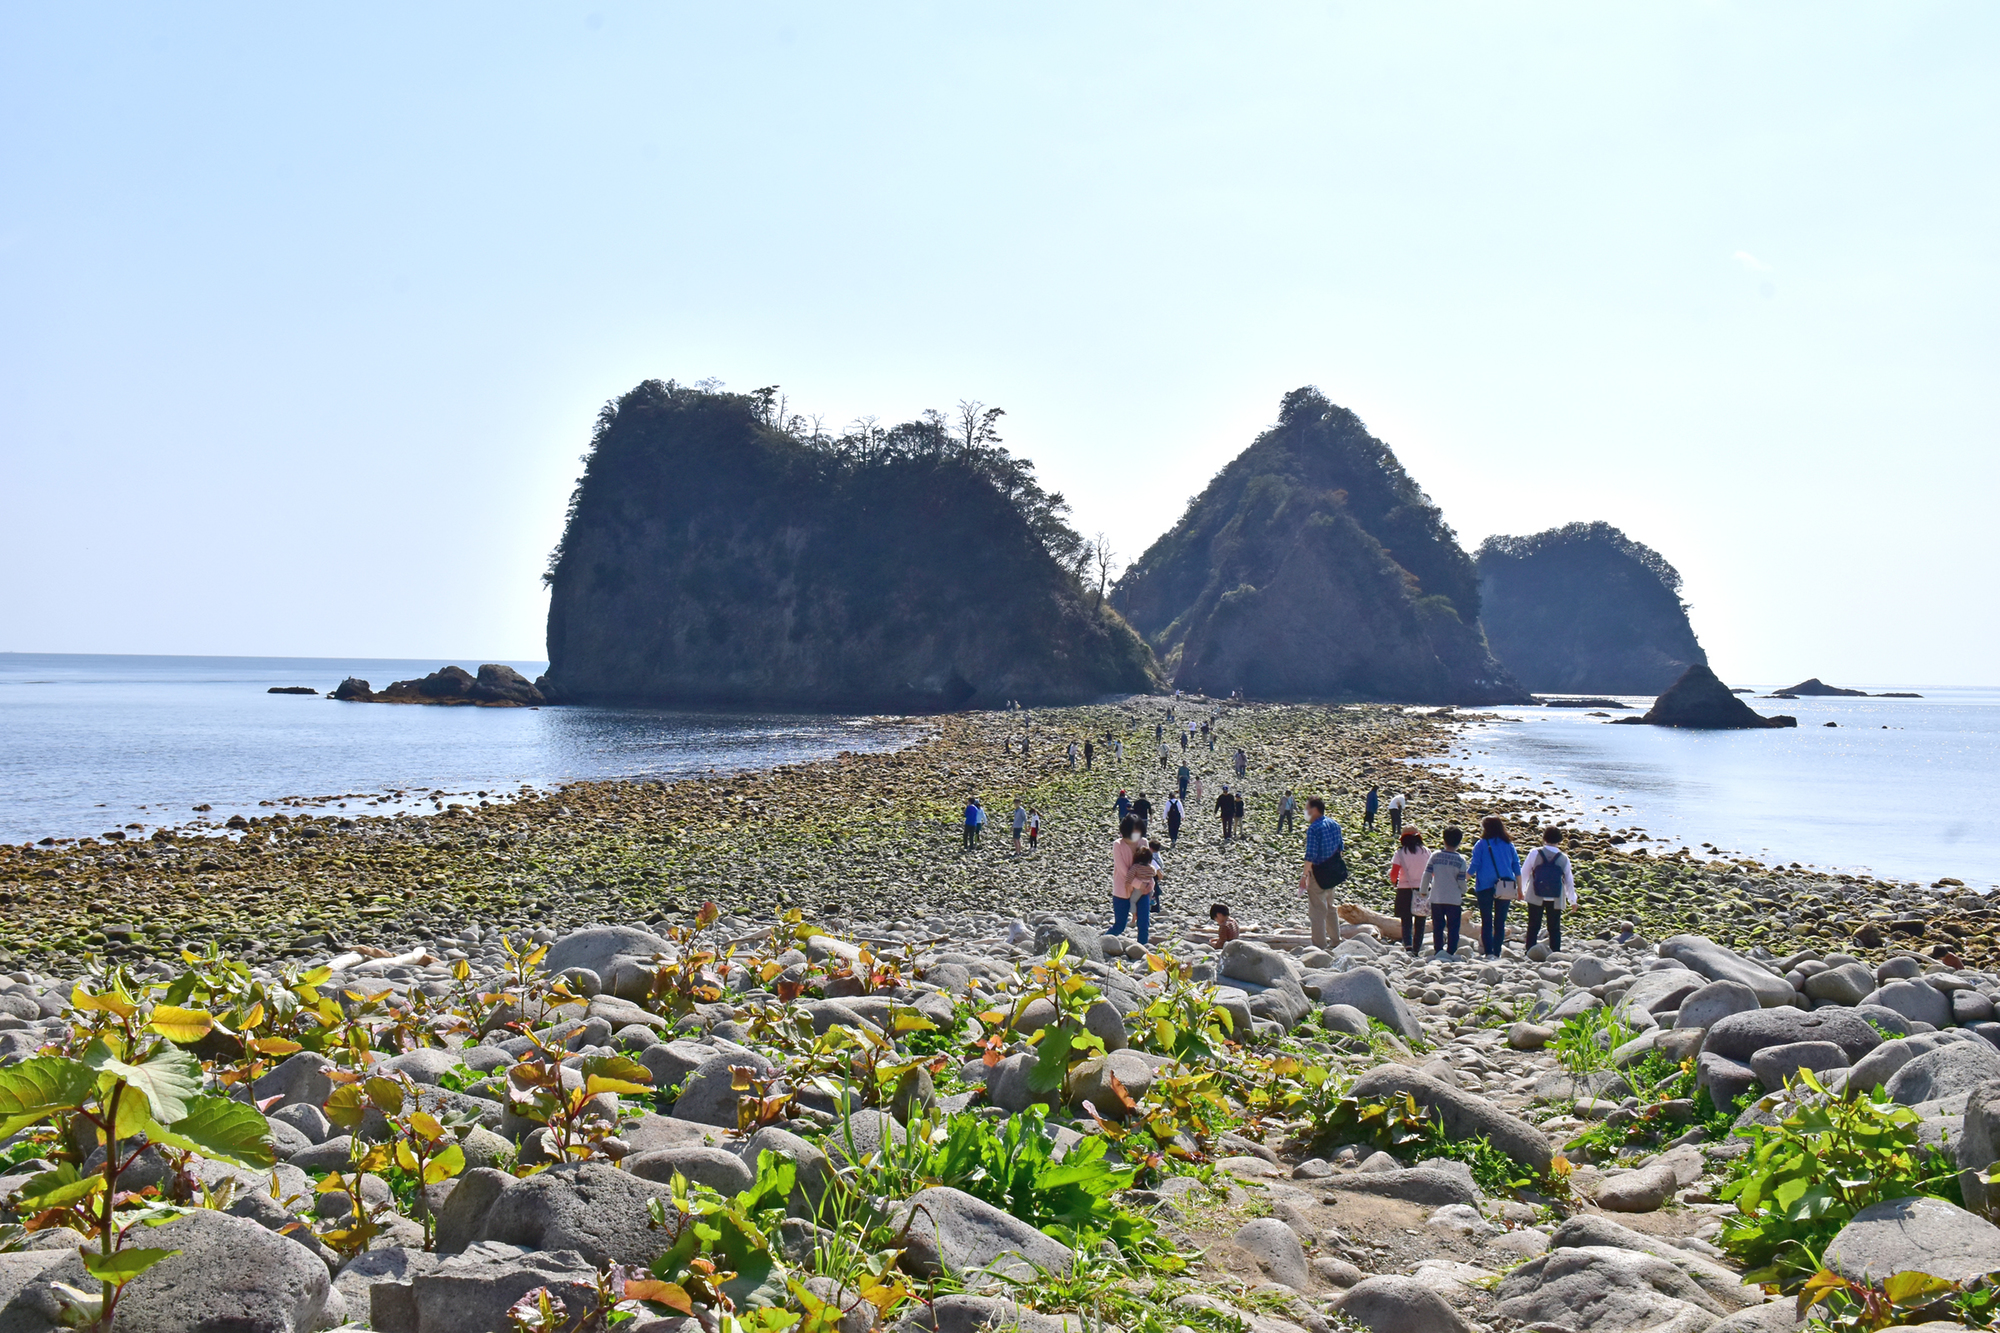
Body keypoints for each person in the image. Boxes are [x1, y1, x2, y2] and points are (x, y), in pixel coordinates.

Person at [1470, 816, 1522, 958]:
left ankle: (1489, 952)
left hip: (1484, 886)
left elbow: (1475, 865)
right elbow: (1517, 867)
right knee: (1500, 921)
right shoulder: (1508, 844)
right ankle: (1497, 951)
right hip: (1505, 885)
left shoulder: (1481, 844)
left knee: (1486, 920)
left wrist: (1462, 879)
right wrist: (1520, 889)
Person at [1301, 796, 1346, 949]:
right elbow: (1340, 849)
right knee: (1330, 907)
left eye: (1307, 809)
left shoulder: (1314, 828)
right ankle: (1335, 940)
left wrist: (1304, 875)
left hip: (1318, 873)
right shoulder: (1335, 824)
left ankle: (1319, 946)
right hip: (1332, 871)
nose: (1305, 812)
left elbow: (1310, 855)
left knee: (1317, 911)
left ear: (1314, 810)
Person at [1520, 827, 1574, 953]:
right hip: (1556, 897)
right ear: (1560, 840)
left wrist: (1521, 891)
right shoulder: (1563, 858)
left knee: (1533, 925)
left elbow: (1525, 873)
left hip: (1535, 894)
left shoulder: (1535, 853)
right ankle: (1555, 952)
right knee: (1554, 928)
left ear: (1544, 838)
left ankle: (1530, 951)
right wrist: (1573, 900)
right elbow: (1568, 881)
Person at [1420, 826, 1469, 956]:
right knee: (1453, 927)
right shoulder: (1460, 860)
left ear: (1444, 840)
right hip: (1453, 899)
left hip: (1437, 897)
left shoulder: (1435, 856)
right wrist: (1464, 890)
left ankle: (1438, 950)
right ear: (1459, 842)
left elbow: (1427, 874)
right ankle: (1451, 951)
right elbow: (1461, 881)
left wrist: (1423, 890)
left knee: (1438, 926)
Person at [1389, 827, 1432, 957]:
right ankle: (1416, 949)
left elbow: (1393, 874)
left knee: (1406, 920)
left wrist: (1394, 882)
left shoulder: (1400, 853)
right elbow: (1432, 872)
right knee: (1420, 920)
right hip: (1423, 889)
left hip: (1404, 889)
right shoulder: (1427, 852)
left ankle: (1408, 947)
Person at [1108, 818, 1151, 945]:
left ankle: (1142, 950)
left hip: (1142, 891)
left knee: (1144, 923)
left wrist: (1149, 885)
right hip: (1123, 890)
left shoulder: (1143, 842)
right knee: (1119, 926)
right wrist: (1139, 884)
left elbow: (1147, 866)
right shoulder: (1118, 845)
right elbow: (1123, 871)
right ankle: (1100, 944)